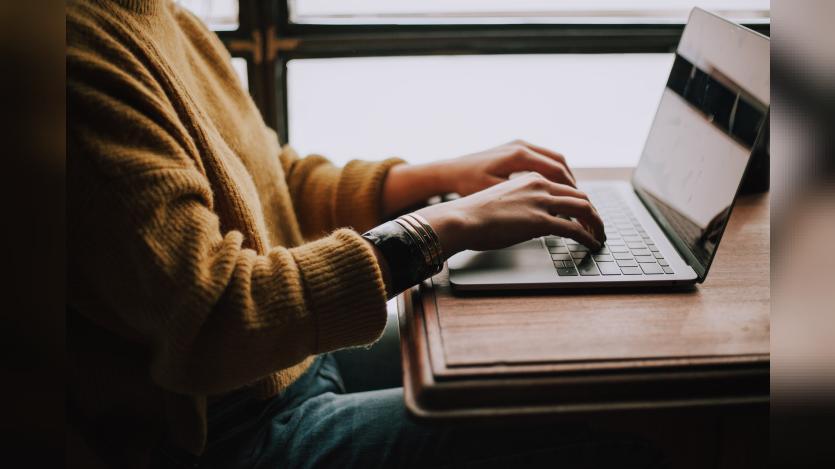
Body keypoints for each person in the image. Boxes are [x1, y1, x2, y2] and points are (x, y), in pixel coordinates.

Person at [68, 1, 664, 467]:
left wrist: (438, 176)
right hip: (222, 437)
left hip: (287, 364)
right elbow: (217, 317)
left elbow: (275, 181)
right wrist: (442, 227)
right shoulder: (77, 54)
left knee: (563, 365)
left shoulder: (162, 16)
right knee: (607, 428)